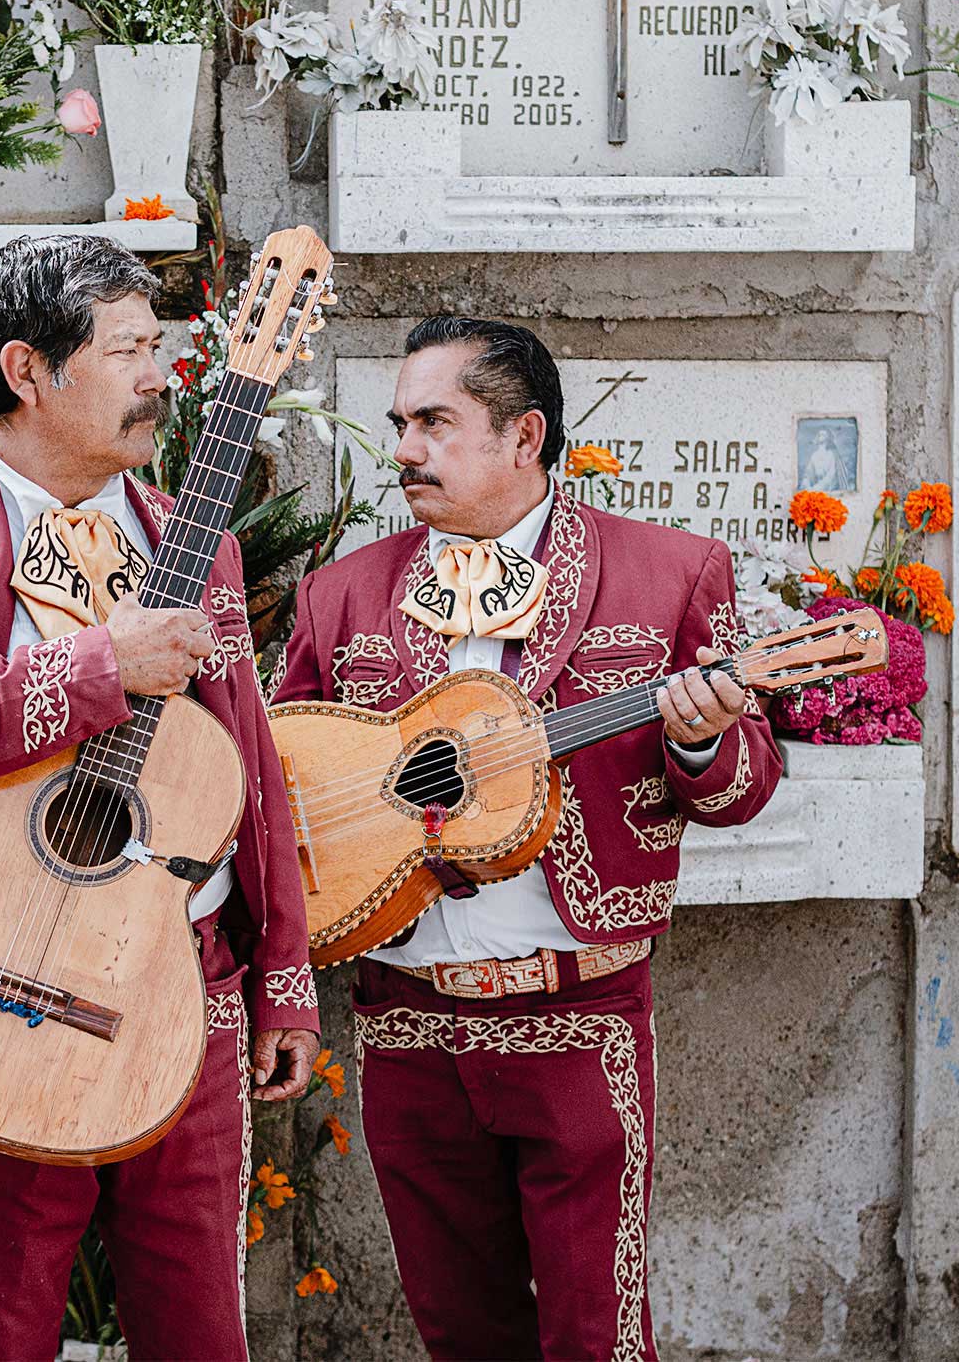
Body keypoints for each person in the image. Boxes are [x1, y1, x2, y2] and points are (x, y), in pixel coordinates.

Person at [0, 235, 321, 1362]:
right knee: (2, 1334)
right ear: (28, 369)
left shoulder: (198, 546)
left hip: (188, 990)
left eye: (163, 348)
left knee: (202, 1333)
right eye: (129, 349)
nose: (158, 377)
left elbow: (252, 771)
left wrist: (282, 974)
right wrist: (98, 667)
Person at [273, 317, 783, 1362]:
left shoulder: (670, 573)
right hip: (404, 1021)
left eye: (433, 422)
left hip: (578, 1012)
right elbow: (277, 787)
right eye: (398, 423)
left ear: (523, 436)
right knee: (459, 1332)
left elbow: (742, 787)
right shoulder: (341, 594)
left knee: (595, 1334)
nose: (402, 448)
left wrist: (698, 743)